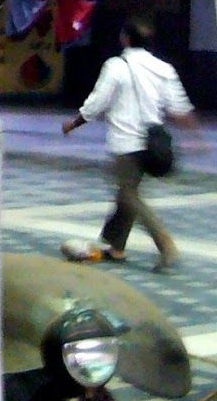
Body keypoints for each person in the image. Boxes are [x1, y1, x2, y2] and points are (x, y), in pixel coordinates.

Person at [60, 16, 196, 271]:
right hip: (153, 145)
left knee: (128, 195)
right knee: (127, 194)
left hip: (125, 143)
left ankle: (165, 244)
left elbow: (98, 102)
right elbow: (179, 106)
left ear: (125, 38)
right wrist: (195, 136)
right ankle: (116, 248)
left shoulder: (116, 66)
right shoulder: (164, 68)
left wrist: (74, 123)